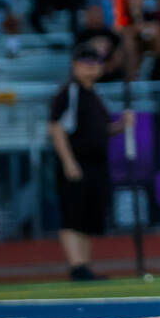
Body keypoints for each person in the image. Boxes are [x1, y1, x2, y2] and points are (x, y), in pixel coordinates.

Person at [48, 44, 132, 281]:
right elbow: (56, 127)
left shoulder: (95, 94)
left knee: (88, 216)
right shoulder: (69, 93)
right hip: (78, 161)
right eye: (86, 63)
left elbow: (102, 130)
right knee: (73, 214)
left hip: (96, 163)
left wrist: (121, 126)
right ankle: (76, 266)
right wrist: (68, 162)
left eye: (95, 63)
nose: (91, 68)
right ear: (75, 66)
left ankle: (84, 265)